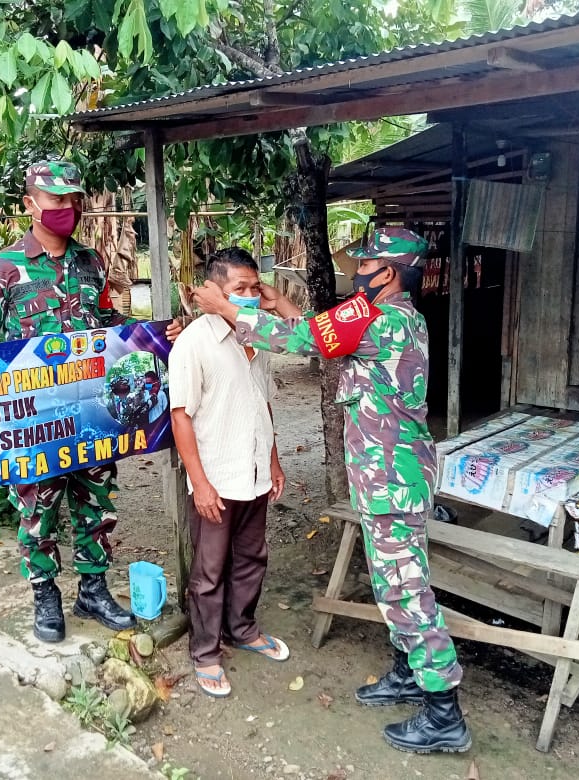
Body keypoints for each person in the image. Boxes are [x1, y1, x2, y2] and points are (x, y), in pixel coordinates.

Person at [191, 227, 470, 751]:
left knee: (406, 591)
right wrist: (282, 303)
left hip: (393, 479)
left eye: (364, 266)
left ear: (388, 274)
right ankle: (409, 673)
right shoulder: (388, 317)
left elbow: (302, 341)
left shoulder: (386, 322)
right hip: (389, 475)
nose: (356, 272)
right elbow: (324, 329)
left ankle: (443, 712)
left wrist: (231, 309)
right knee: (395, 582)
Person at [0, 159, 152, 643]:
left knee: (97, 504)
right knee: (39, 511)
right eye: (57, 199)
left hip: (92, 412)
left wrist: (150, 339)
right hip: (35, 419)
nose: (68, 208)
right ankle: (46, 596)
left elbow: (107, 326)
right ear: (30, 204)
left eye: (74, 199)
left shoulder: (90, 262)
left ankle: (94, 590)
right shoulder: (3, 268)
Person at [169, 247, 288, 698]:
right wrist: (199, 483)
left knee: (252, 558)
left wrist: (274, 461)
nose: (251, 296)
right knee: (209, 571)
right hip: (216, 478)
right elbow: (181, 416)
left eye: (255, 288)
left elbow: (264, 405)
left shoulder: (258, 339)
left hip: (254, 473)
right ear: (212, 293)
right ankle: (205, 652)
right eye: (240, 289)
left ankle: (242, 628)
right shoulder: (194, 343)